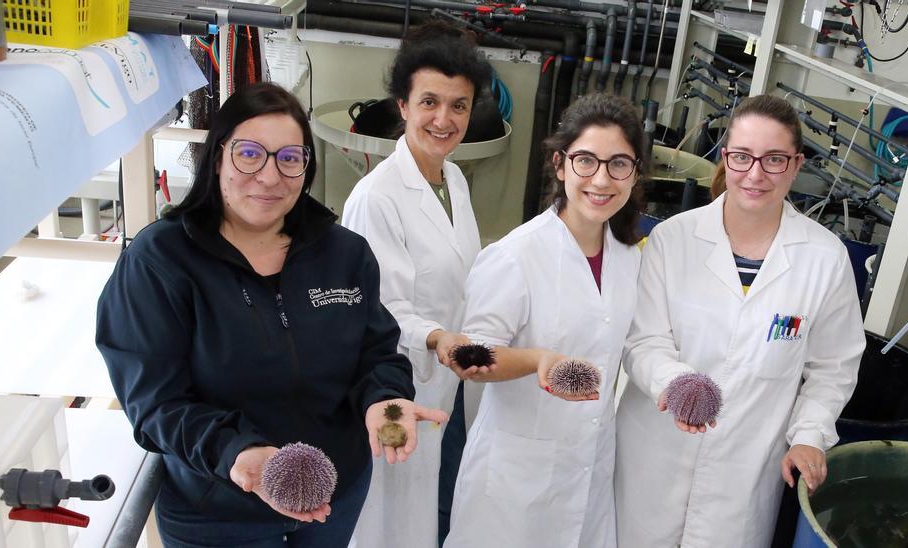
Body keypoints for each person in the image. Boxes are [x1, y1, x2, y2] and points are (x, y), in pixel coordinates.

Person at [96, 82, 446, 548]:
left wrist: (384, 398)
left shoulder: (343, 253)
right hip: (218, 512)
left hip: (332, 499)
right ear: (217, 156)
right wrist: (239, 452)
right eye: (249, 153)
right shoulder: (160, 261)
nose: (268, 176)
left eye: (289, 158)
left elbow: (377, 352)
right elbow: (155, 403)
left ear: (306, 167)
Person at [614, 94, 864, 547]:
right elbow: (642, 340)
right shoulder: (674, 239)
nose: (755, 174)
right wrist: (678, 385)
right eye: (743, 156)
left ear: (795, 165)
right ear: (726, 158)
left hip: (744, 470)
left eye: (774, 160)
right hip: (653, 453)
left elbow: (833, 367)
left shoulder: (825, 259)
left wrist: (810, 436)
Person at [443, 93, 646, 548]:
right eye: (586, 161)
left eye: (619, 164)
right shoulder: (515, 255)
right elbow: (467, 357)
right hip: (516, 478)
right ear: (560, 165)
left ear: (634, 174)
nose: (601, 179)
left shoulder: (628, 257)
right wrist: (538, 361)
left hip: (589, 470)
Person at [340, 22, 493, 548]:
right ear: (403, 105)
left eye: (459, 105)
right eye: (430, 102)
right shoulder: (376, 197)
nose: (444, 119)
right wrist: (436, 337)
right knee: (393, 520)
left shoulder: (452, 180)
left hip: (448, 382)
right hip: (401, 384)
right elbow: (376, 309)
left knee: (441, 507)